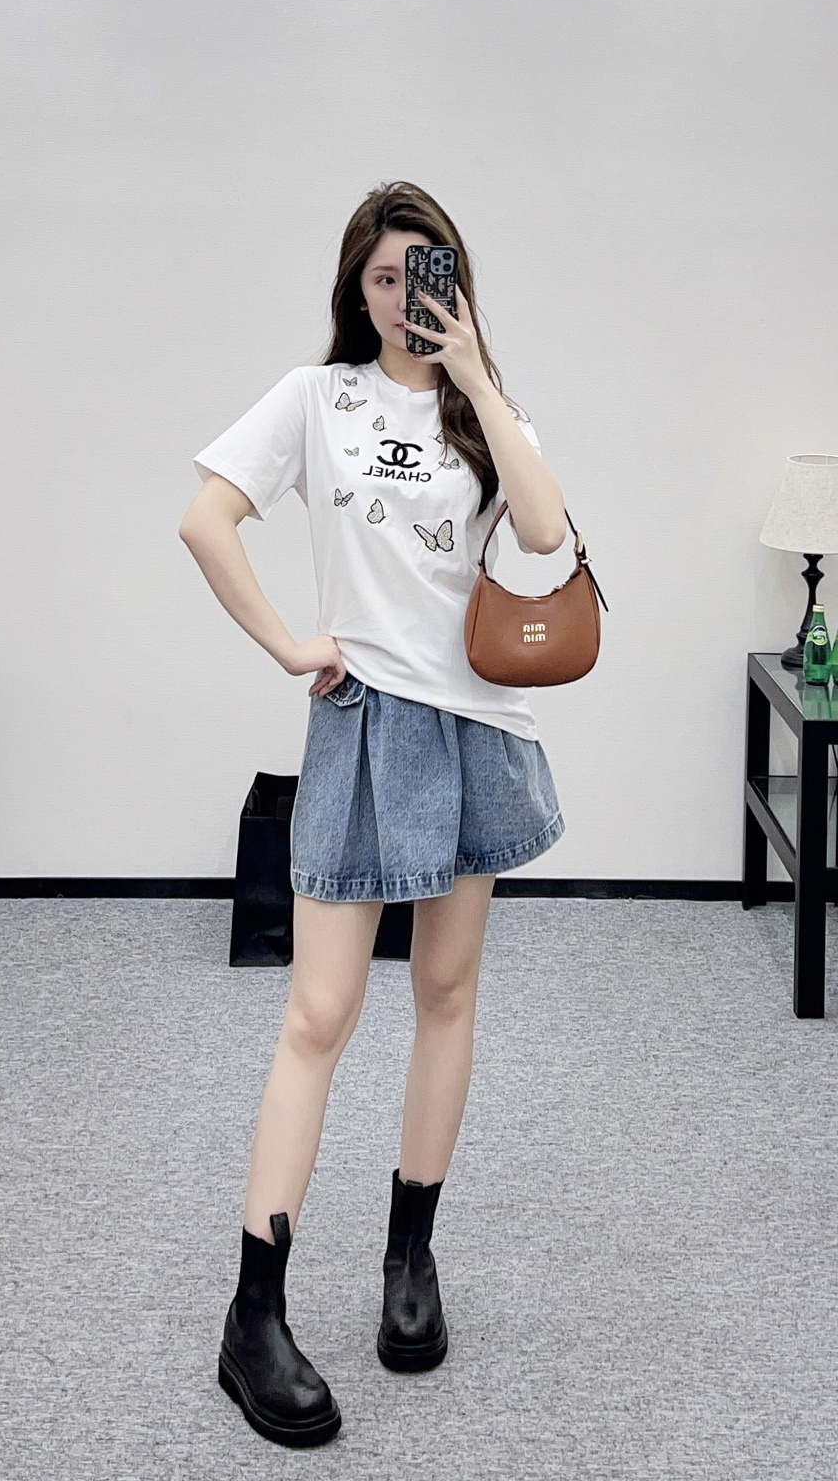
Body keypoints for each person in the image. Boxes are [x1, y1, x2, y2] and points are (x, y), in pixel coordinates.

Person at [179, 180, 569, 1448]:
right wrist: (291, 642)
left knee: (446, 994)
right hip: (365, 725)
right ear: (358, 288)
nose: (408, 298)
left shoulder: (482, 413)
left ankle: (411, 1260)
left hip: (476, 729)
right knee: (319, 1014)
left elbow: (546, 537)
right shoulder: (317, 397)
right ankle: (253, 1316)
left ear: (459, 287)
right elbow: (205, 518)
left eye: (428, 274)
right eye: (389, 277)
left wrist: (481, 378)